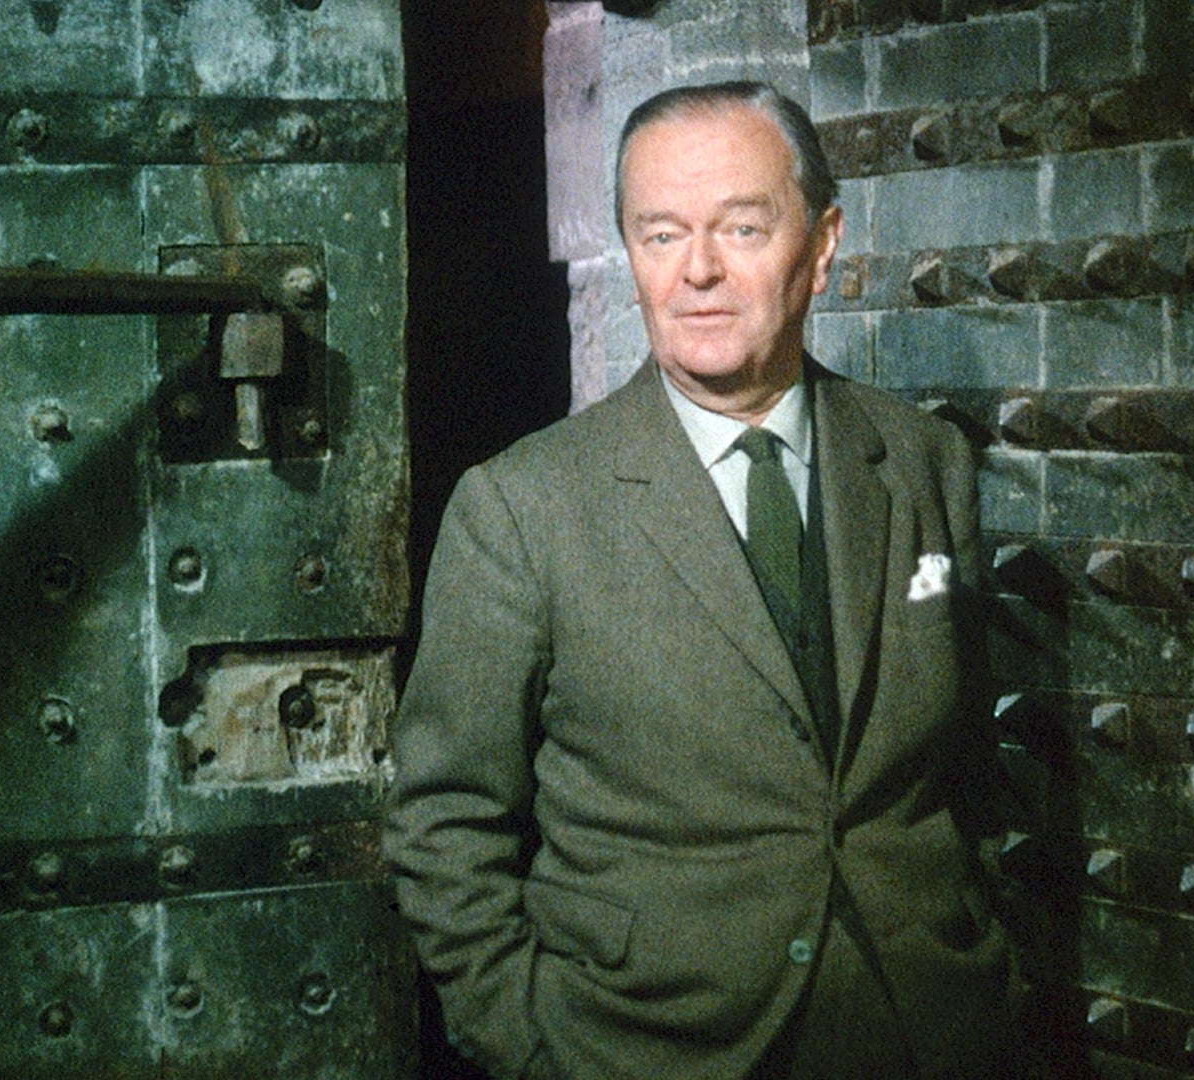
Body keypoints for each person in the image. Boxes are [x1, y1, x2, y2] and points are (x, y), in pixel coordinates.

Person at [382, 81, 1019, 1079]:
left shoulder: (923, 461)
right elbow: (443, 822)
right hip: (649, 1046)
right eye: (662, 234)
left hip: (924, 1033)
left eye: (743, 228)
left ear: (823, 245)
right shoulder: (521, 507)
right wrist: (531, 1046)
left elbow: (968, 766)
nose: (699, 272)